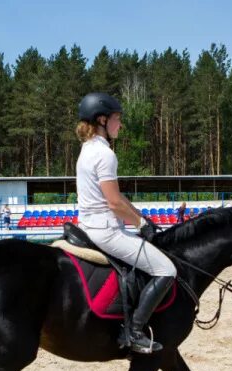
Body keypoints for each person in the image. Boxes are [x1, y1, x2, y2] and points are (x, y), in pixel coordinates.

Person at [75, 92, 177, 354]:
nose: (120, 124)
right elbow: (113, 203)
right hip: (105, 231)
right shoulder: (105, 154)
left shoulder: (88, 149)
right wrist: (142, 226)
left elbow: (119, 198)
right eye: (117, 119)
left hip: (89, 225)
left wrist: (141, 218)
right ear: (101, 120)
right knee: (167, 270)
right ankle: (134, 331)